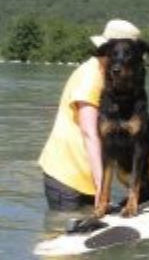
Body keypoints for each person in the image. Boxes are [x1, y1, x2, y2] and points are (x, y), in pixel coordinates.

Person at [38, 19, 142, 210]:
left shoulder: (106, 75)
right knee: (63, 232)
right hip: (68, 176)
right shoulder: (92, 76)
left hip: (85, 175)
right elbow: (89, 133)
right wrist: (101, 188)